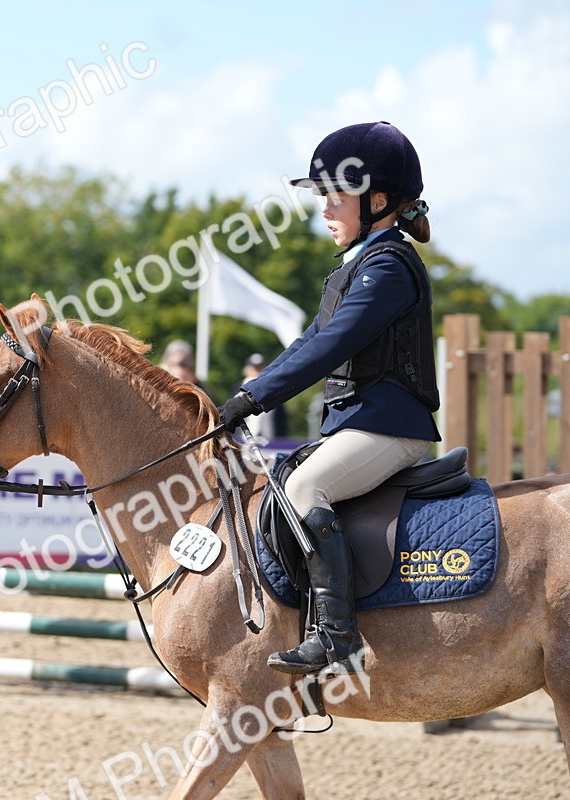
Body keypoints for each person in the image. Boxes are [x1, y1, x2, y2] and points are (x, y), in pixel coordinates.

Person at [218, 121, 440, 675]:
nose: (324, 209)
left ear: (379, 201)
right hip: (358, 426)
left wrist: (257, 398)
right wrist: (246, 394)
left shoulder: (388, 267)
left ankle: (337, 637)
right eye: (323, 196)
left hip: (389, 427)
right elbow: (310, 341)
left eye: (336, 197)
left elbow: (334, 344)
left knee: (305, 486)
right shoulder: (356, 266)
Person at [235, 354, 288, 442]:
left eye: (259, 368)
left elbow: (281, 419)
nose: (256, 371)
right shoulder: (238, 389)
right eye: (254, 368)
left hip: (269, 439)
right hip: (244, 439)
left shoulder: (273, 389)